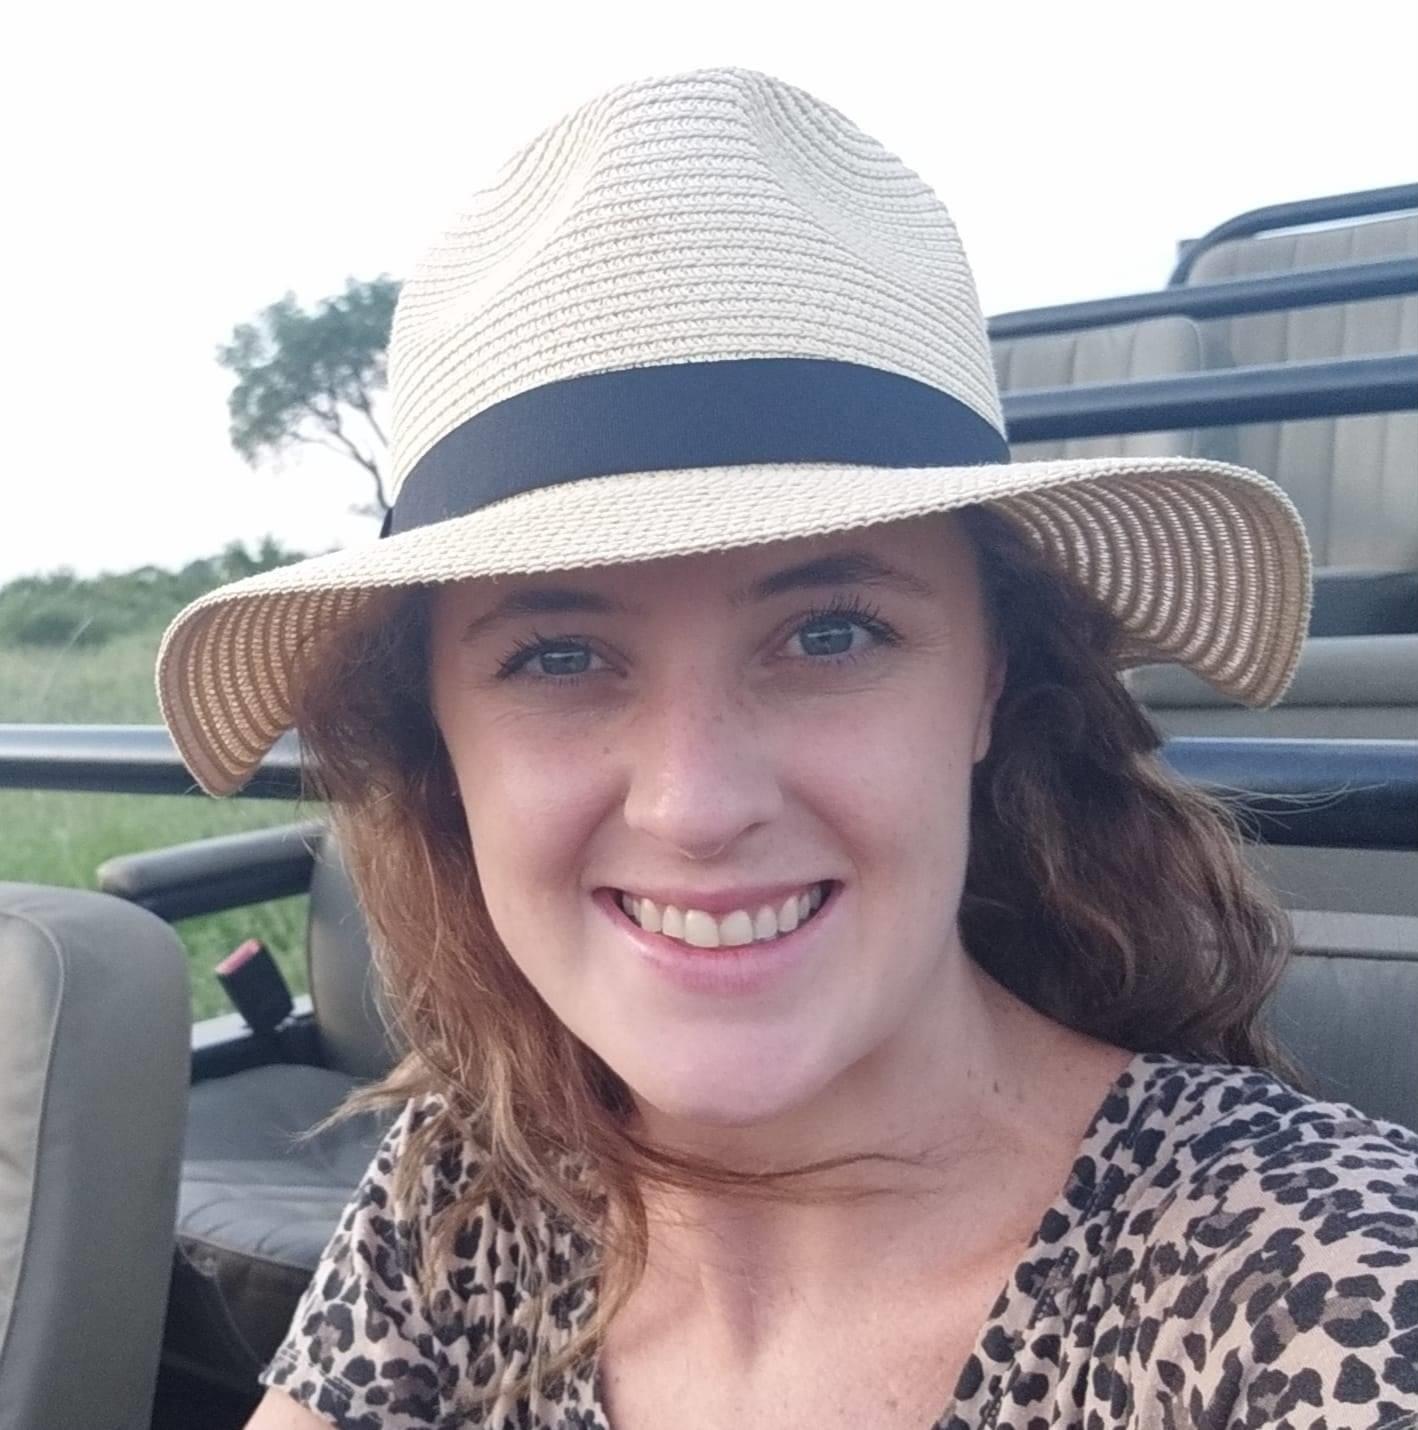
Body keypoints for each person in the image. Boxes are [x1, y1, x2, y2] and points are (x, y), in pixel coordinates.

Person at [156, 65, 1418, 1430]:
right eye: (560, 657)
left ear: (990, 680)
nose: (694, 803)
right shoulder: (467, 1189)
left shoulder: (1320, 1291)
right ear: (441, 742)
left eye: (829, 633)